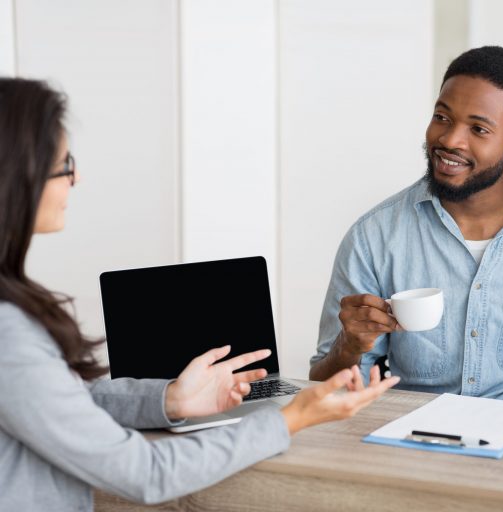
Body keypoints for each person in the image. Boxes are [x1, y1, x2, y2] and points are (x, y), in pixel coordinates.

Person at [0, 78, 399, 511]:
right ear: (16, 176)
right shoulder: (9, 335)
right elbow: (145, 473)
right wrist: (290, 418)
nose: (76, 177)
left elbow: (60, 400)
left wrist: (170, 398)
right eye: (64, 163)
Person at [308, 46, 503, 399]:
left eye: (478, 129)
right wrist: (348, 346)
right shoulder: (374, 236)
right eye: (442, 117)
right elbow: (321, 388)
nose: (449, 140)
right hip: (413, 439)